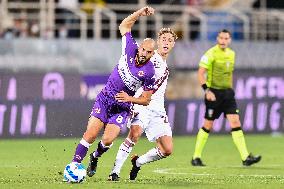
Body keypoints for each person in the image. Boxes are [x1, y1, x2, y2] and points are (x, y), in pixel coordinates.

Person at [67, 6, 157, 178]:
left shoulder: (149, 72)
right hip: (105, 99)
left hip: (122, 106)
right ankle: (74, 165)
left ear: (153, 54)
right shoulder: (130, 47)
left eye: (149, 52)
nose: (144, 53)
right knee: (90, 134)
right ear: (140, 47)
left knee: (108, 140)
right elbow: (124, 25)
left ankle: (95, 157)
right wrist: (139, 13)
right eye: (143, 49)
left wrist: (130, 98)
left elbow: (146, 100)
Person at [108, 28, 178, 181]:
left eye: (170, 40)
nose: (166, 42)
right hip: (141, 105)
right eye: (164, 39)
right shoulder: (150, 58)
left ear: (173, 44)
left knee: (167, 149)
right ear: (158, 41)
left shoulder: (165, 66)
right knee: (134, 134)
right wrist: (131, 102)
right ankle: (115, 172)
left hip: (158, 109)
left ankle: (138, 162)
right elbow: (135, 76)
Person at [191, 29, 261, 166]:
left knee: (235, 122)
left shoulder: (232, 54)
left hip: (228, 94)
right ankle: (196, 157)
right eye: (221, 38)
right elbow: (200, 73)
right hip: (214, 94)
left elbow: (229, 74)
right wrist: (207, 91)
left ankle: (245, 157)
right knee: (208, 125)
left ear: (229, 40)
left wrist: (230, 89)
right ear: (218, 39)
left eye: (226, 38)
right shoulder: (210, 53)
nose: (223, 41)